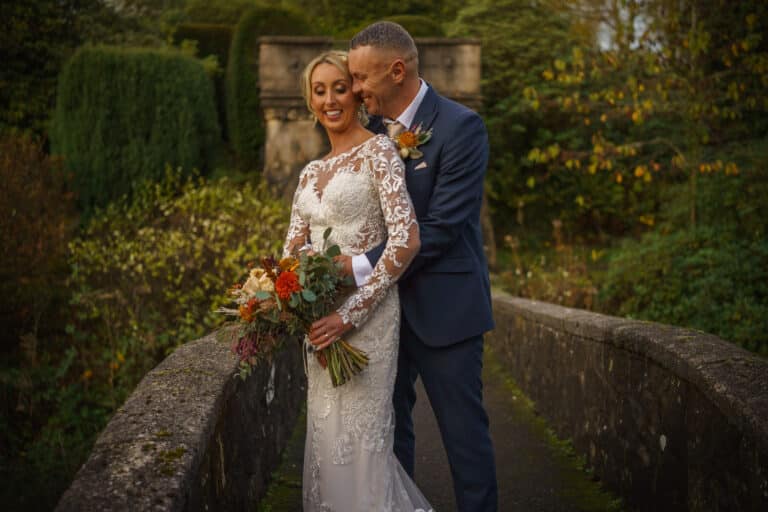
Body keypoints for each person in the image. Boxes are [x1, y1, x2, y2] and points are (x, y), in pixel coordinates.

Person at [338, 21, 499, 511]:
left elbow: (443, 228)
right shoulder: (365, 134)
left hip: (446, 311)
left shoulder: (461, 128)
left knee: (464, 440)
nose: (355, 90)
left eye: (362, 79)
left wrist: (360, 266)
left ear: (397, 70)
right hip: (382, 313)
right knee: (390, 437)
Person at [283, 50, 433, 511]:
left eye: (340, 88)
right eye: (320, 90)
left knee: (363, 449)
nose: (330, 99)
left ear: (355, 94)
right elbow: (290, 252)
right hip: (319, 326)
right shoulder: (310, 172)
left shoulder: (380, 151)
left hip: (366, 322)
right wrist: (292, 288)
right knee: (328, 443)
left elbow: (405, 241)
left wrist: (349, 314)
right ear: (310, 100)